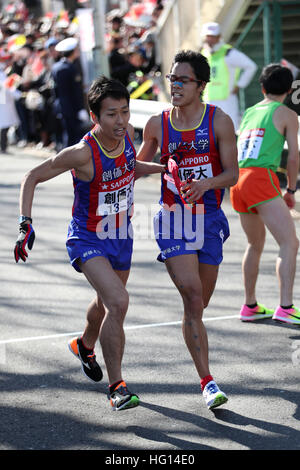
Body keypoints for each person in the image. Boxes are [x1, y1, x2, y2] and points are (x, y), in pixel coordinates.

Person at [14, 76, 164, 411]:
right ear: (95, 116)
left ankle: (84, 345)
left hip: (120, 237)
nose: (121, 120)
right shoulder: (81, 153)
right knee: (119, 302)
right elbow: (32, 176)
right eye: (112, 114)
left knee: (105, 303)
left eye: (124, 112)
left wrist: (164, 168)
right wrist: (26, 224)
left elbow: (130, 166)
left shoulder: (124, 138)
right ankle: (117, 387)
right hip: (87, 238)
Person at [137, 50, 238, 410]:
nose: (176, 85)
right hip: (172, 218)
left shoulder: (220, 121)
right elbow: (136, 166)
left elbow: (232, 174)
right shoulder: (157, 124)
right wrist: (160, 166)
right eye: (172, 78)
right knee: (193, 297)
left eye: (184, 80)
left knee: (199, 305)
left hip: (209, 219)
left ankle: (194, 338)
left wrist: (205, 184)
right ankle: (208, 382)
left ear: (201, 85)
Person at [230, 64, 300, 325]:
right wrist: (291, 189)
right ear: (290, 89)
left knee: (254, 244)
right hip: (261, 178)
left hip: (239, 179)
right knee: (289, 243)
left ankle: (249, 305)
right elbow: (293, 157)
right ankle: (286, 307)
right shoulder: (286, 114)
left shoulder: (249, 112)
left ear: (261, 87)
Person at [201, 22, 257, 132]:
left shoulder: (229, 53)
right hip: (208, 99)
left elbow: (251, 66)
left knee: (230, 131)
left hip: (227, 100)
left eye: (212, 36)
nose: (209, 39)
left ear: (219, 37)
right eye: (208, 36)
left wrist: (240, 85)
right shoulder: (204, 53)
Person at [52, 37, 88, 147]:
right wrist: (81, 108)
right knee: (73, 136)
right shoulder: (69, 68)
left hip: (62, 105)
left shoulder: (56, 66)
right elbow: (75, 91)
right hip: (71, 107)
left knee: (68, 134)